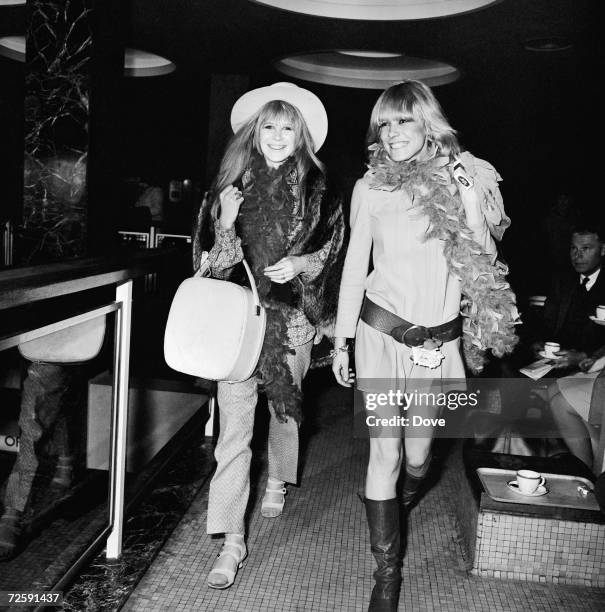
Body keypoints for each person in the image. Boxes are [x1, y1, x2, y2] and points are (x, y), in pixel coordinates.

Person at [332, 81, 516, 611]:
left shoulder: (467, 177)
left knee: (419, 457)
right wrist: (343, 339)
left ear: (428, 124)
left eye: (404, 122)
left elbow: (482, 263)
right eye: (384, 125)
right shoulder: (370, 188)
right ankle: (387, 575)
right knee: (384, 452)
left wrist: (468, 202)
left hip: (439, 344)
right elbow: (354, 269)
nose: (392, 134)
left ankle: (396, 506)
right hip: (382, 335)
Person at [192, 82, 345, 589]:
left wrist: (300, 262)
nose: (278, 136)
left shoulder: (320, 191)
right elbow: (211, 270)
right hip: (238, 329)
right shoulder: (227, 189)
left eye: (287, 127)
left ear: (300, 135)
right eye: (269, 126)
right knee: (233, 436)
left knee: (287, 409)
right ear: (254, 133)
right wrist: (228, 226)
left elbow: (332, 254)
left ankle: (279, 475)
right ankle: (232, 540)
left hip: (294, 322)